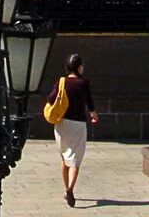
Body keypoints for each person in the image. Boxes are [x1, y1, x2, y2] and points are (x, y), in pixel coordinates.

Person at [55, 55, 96, 207]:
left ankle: (66, 188)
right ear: (78, 67)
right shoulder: (83, 83)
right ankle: (70, 189)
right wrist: (93, 113)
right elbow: (89, 101)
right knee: (75, 160)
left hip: (61, 124)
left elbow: (51, 99)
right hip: (78, 124)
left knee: (65, 158)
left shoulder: (61, 82)